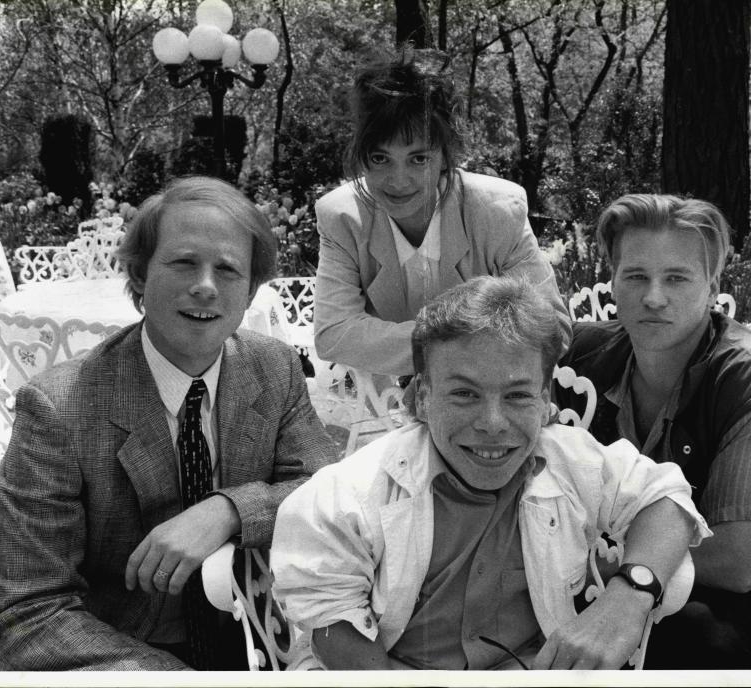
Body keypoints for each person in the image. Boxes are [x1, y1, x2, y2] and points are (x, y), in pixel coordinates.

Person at [0, 176, 339, 671]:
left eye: (228, 269)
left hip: (260, 634)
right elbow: (21, 611)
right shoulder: (58, 408)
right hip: (119, 653)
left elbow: (325, 492)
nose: (206, 286)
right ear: (141, 274)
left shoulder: (272, 367)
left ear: (252, 290)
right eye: (184, 262)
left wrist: (227, 511)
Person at [270, 276, 711, 670]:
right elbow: (333, 629)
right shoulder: (347, 496)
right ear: (421, 398)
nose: (493, 423)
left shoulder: (568, 459)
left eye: (518, 396)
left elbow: (666, 497)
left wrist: (627, 598)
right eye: (464, 393)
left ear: (544, 400)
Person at [556, 194, 751, 668]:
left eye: (677, 277)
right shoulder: (583, 356)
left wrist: (624, 573)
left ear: (713, 284)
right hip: (603, 577)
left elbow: (739, 562)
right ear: (612, 278)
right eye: (635, 276)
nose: (654, 297)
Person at [313, 48, 571, 377]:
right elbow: (334, 334)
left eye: (418, 158)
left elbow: (553, 329)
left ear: (445, 158)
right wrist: (464, 342)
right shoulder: (341, 217)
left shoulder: (497, 211)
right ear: (361, 156)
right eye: (380, 158)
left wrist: (441, 352)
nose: (398, 180)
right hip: (385, 406)